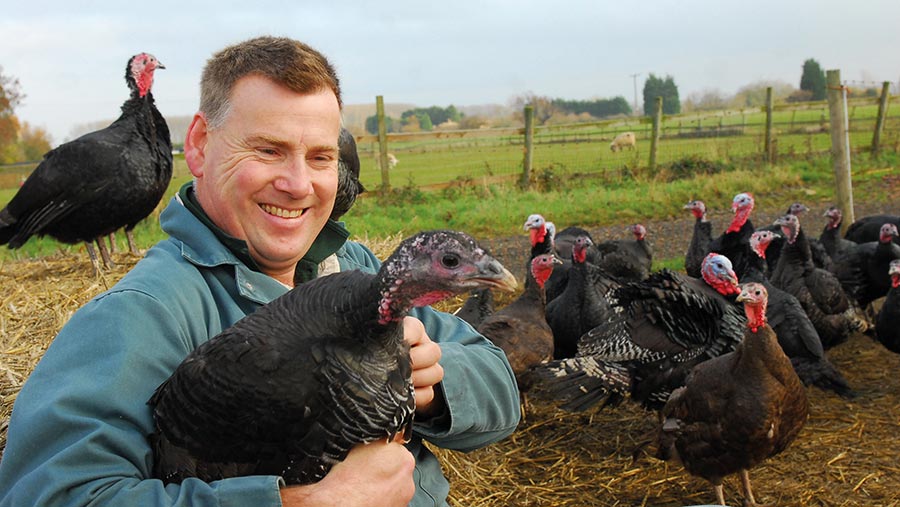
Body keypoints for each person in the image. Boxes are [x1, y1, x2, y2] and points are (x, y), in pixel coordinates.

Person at [0, 36, 521, 507]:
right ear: (200, 146)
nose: (298, 184)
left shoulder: (358, 269)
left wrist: (432, 387)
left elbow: (500, 387)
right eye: (268, 150)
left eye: (320, 157)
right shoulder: (144, 315)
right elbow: (49, 496)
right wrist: (299, 504)